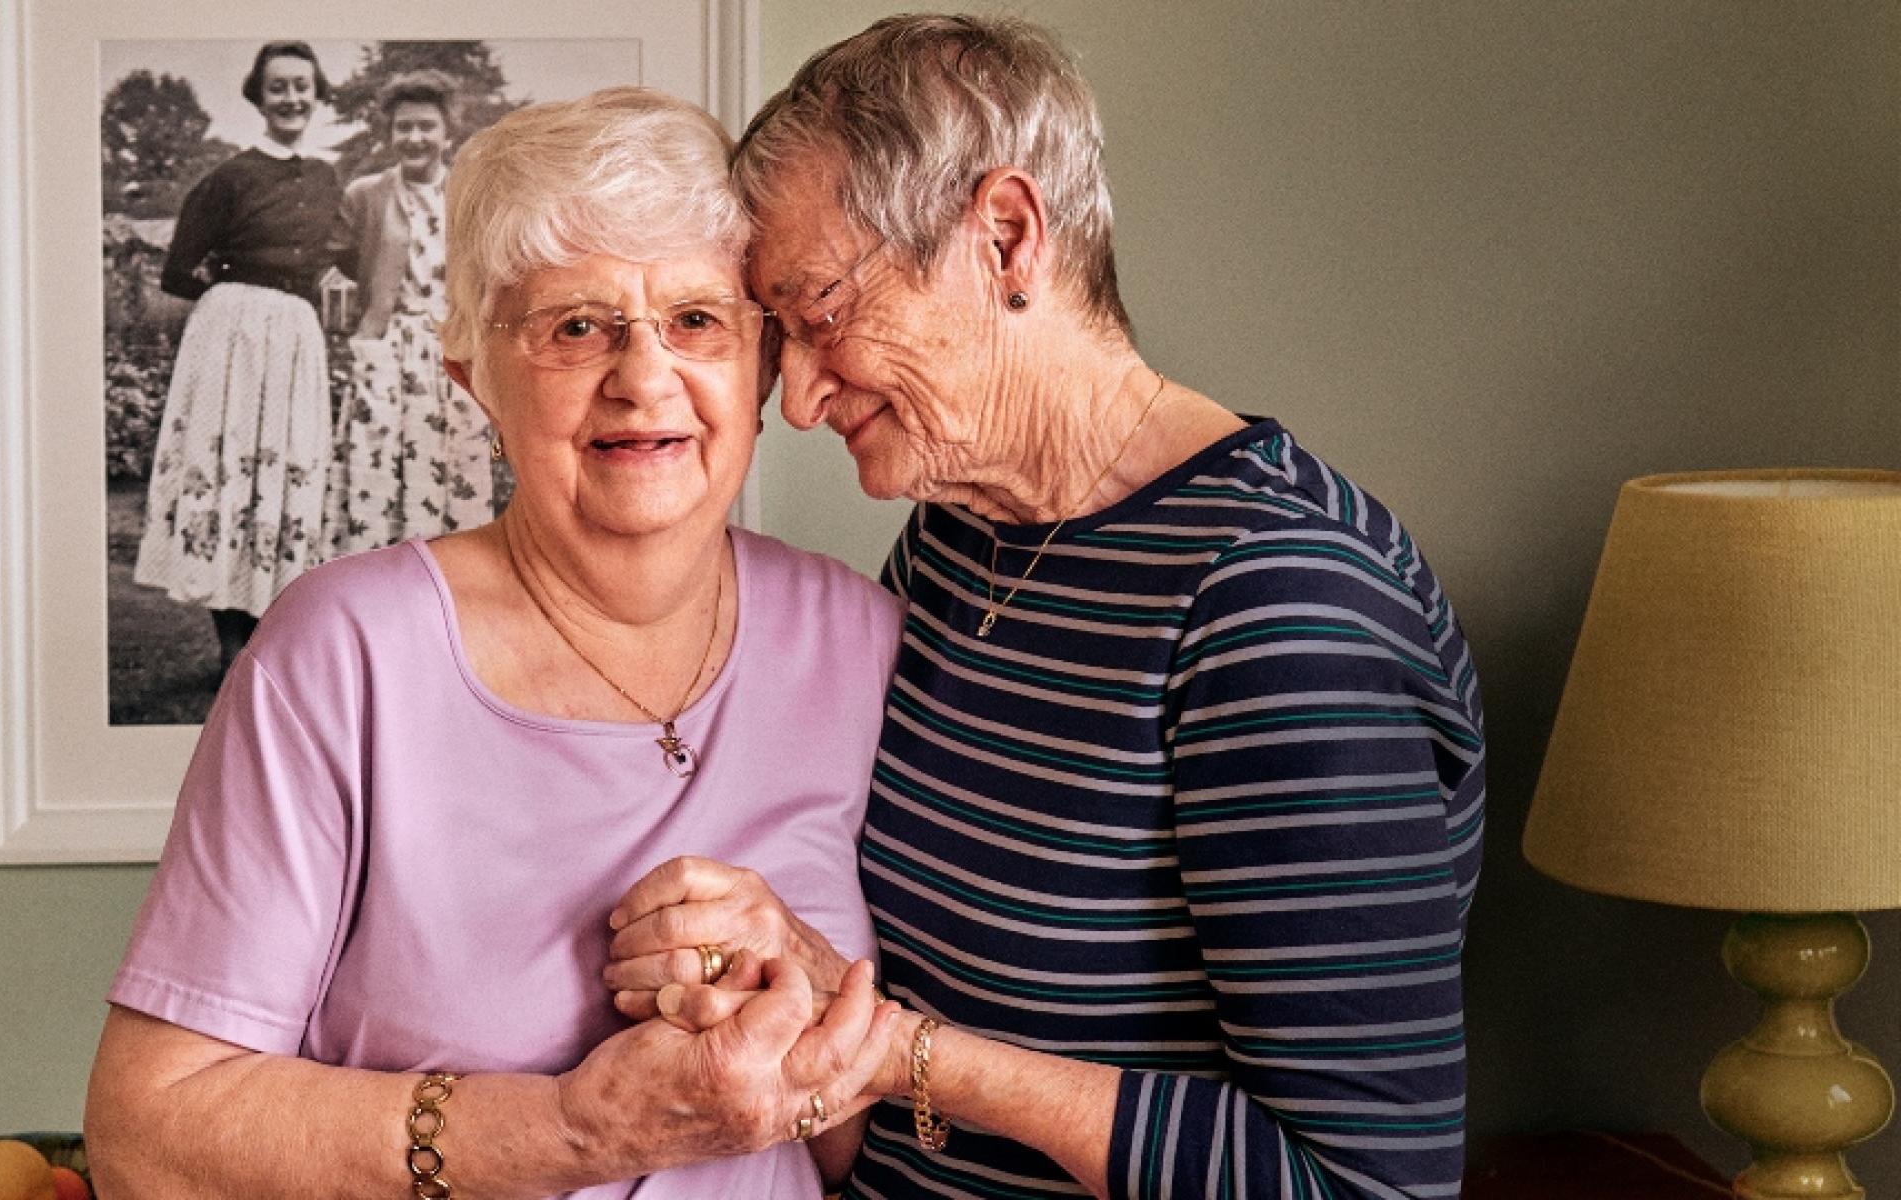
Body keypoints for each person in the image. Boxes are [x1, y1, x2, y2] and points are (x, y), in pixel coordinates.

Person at [602, 15, 1488, 1199]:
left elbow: (1367, 1183)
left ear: (1007, 238)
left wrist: (899, 1056)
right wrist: (798, 967)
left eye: (820, 316)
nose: (799, 399)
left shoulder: (1281, 604)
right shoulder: (964, 534)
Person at [86, 87, 911, 1198]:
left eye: (698, 320)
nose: (644, 377)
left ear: (761, 368)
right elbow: (149, 1136)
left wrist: (795, 995)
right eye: (577, 325)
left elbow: (869, 1147)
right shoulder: (344, 654)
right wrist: (576, 1129)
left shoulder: (861, 642)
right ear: (476, 375)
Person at [133, 42, 350, 673]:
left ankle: (269, 641)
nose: (291, 98)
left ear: (317, 94)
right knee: (229, 472)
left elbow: (344, 253)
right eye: (278, 87)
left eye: (302, 87)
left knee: (284, 476)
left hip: (297, 335)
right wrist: (229, 306)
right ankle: (231, 647)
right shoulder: (227, 179)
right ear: (259, 96)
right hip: (233, 335)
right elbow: (176, 272)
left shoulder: (325, 178)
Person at [325, 70, 509, 560]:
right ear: (389, 133)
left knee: (457, 476)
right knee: (376, 475)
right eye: (403, 127)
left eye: (426, 126)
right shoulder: (366, 195)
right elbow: (338, 264)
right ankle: (376, 594)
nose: (414, 137)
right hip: (387, 350)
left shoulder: (472, 198)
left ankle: (452, 597)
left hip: (454, 355)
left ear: (448, 133)